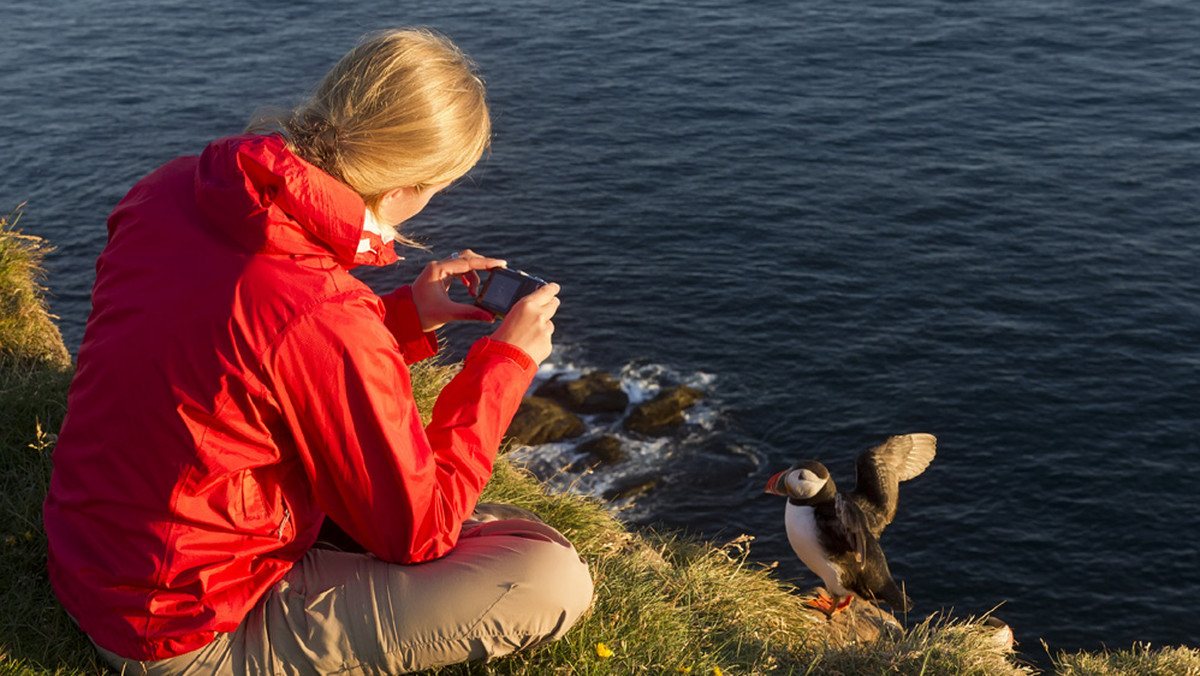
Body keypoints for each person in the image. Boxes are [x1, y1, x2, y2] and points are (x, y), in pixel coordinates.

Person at [42, 27, 593, 675]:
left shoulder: (168, 189)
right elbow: (418, 533)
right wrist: (507, 363)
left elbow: (255, 349)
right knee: (547, 574)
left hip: (93, 556)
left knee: (464, 512)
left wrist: (410, 315)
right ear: (404, 190)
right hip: (178, 629)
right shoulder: (323, 308)